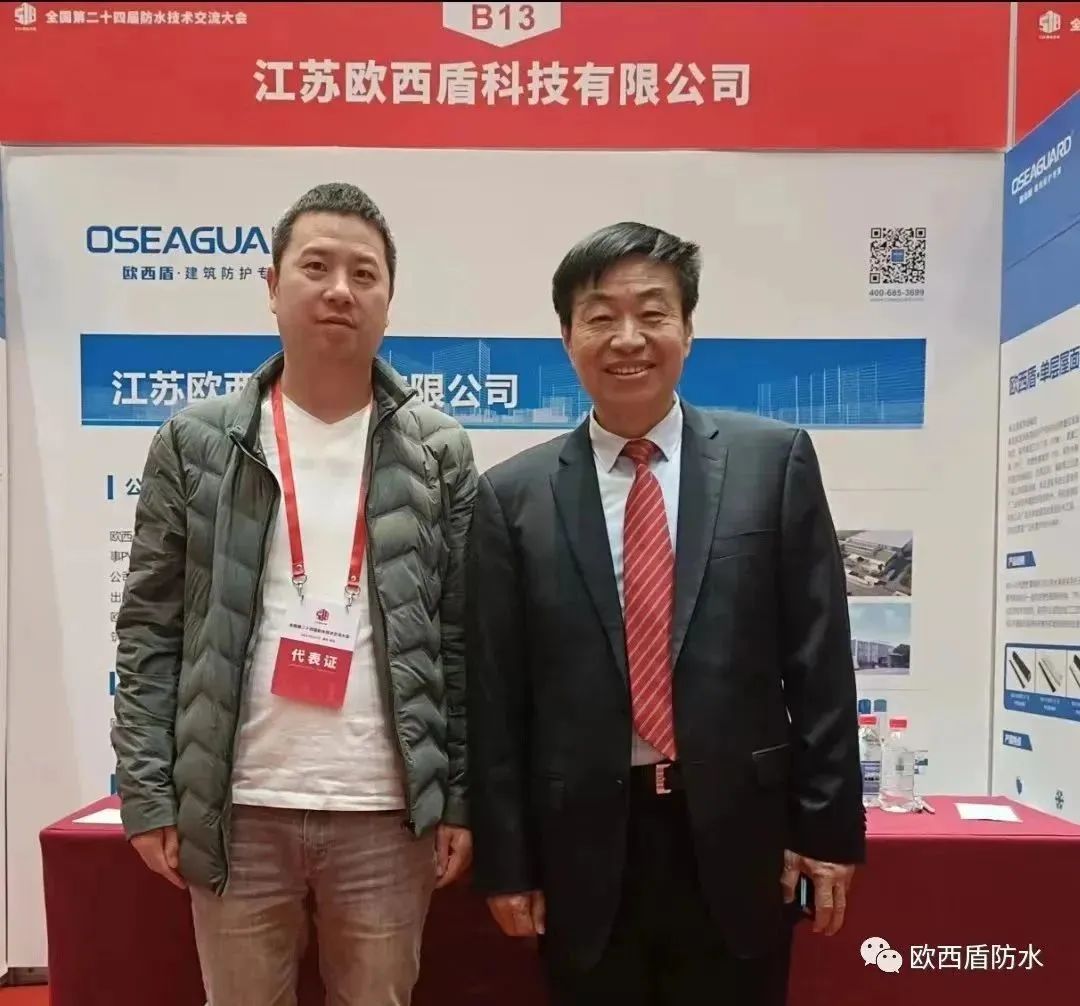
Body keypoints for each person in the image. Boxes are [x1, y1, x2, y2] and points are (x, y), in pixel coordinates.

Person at [465, 221, 865, 1005]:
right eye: (600, 316)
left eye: (652, 313)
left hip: (742, 838)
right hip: (582, 847)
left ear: (688, 328)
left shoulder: (772, 463)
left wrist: (826, 832)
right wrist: (507, 862)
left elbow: (820, 665)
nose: (628, 338)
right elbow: (496, 696)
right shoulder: (512, 497)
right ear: (567, 337)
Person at [111, 182, 478, 1005]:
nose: (340, 289)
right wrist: (149, 792)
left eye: (364, 273)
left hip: (386, 813)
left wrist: (459, 795)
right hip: (236, 809)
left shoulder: (440, 451)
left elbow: (460, 638)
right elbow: (150, 631)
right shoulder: (196, 443)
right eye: (316, 267)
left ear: (388, 299)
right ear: (273, 286)